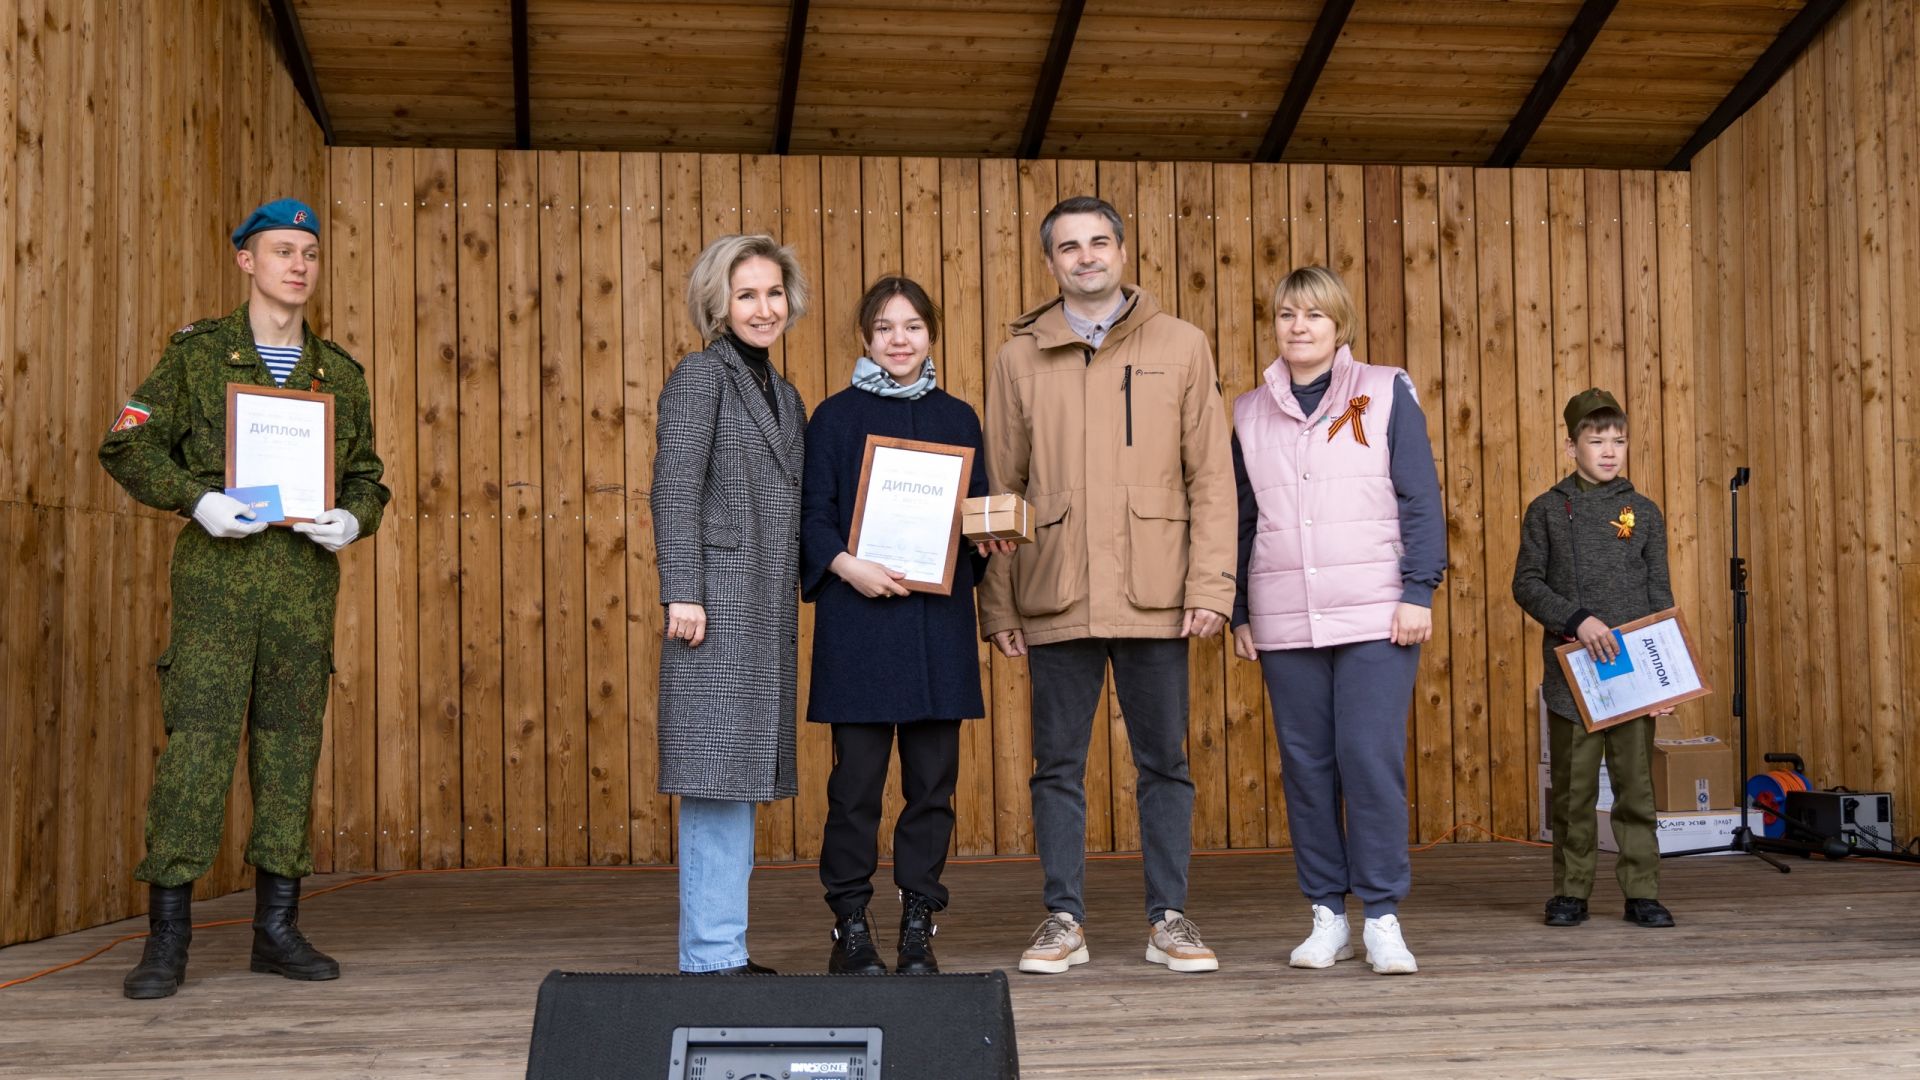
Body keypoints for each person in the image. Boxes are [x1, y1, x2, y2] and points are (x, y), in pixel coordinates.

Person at [99, 198, 391, 1000]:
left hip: (302, 587)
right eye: (281, 250)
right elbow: (125, 443)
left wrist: (354, 517)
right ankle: (167, 940)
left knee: (291, 749)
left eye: (309, 252)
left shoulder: (341, 376)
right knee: (197, 750)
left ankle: (277, 930)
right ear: (245, 261)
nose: (298, 265)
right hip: (217, 586)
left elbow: (368, 474)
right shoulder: (197, 358)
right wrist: (195, 498)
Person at [980, 195, 1235, 976]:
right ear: (1050, 262)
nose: (1085, 257)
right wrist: (998, 600)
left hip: (1159, 590)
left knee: (1166, 763)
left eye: (1098, 243)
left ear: (1123, 252)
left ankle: (1170, 919)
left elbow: (1213, 477)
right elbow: (1002, 484)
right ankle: (1063, 919)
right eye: (1068, 247)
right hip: (1054, 588)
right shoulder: (1018, 353)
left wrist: (1212, 585)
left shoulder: (1182, 344)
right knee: (1057, 764)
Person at [1229, 265, 1444, 976]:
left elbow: (1419, 496)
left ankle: (1381, 915)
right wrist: (1238, 608)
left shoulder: (1385, 390)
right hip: (1285, 617)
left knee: (1367, 759)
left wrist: (1419, 589)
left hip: (1377, 613)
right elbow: (1242, 518)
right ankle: (1327, 915)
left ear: (1339, 325)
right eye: (1288, 314)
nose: (1299, 327)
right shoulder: (1248, 412)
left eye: (1314, 315)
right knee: (1307, 768)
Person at [800, 276, 1012, 975]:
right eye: (885, 327)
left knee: (932, 789)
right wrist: (845, 565)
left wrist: (985, 539)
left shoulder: (959, 418)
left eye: (913, 326)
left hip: (934, 630)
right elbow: (813, 518)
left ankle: (919, 923)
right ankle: (850, 925)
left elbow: (971, 513)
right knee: (854, 789)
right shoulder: (832, 417)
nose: (899, 339)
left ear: (931, 334)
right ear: (865, 336)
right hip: (858, 628)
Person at [652, 233, 810, 974]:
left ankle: (722, 949)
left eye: (773, 293)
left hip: (763, 608)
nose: (763, 307)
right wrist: (682, 589)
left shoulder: (786, 394)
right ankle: (712, 958)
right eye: (746, 294)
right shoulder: (700, 376)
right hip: (712, 609)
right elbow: (674, 488)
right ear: (717, 302)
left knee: (737, 779)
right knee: (716, 782)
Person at [1513, 388, 1676, 930]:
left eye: (1618, 440)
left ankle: (1642, 892)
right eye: (1596, 439)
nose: (1609, 450)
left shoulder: (1644, 512)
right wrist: (1575, 619)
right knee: (1575, 792)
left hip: (1634, 677)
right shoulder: (1546, 511)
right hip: (1574, 676)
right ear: (1570, 447)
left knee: (1636, 789)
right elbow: (1526, 584)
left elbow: (1660, 598)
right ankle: (1571, 892)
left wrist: (1667, 681)